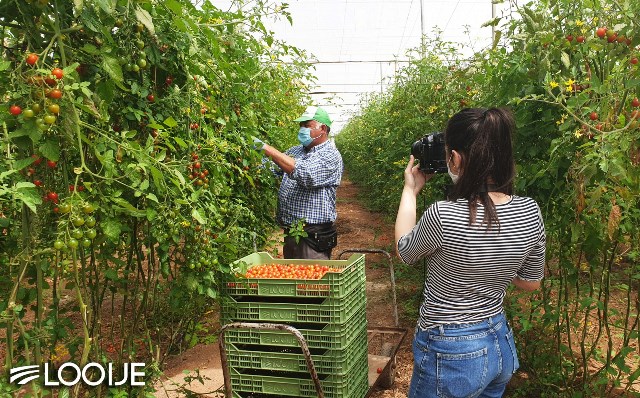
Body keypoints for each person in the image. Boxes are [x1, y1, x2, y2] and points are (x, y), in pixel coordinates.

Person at [394, 107, 546, 398]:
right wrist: (494, 264)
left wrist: (410, 191)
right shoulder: (529, 211)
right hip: (498, 343)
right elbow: (531, 282)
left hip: (451, 350)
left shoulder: (444, 215)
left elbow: (405, 251)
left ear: (456, 158)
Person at [254, 106, 343, 259]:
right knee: (293, 277)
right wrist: (248, 157)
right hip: (291, 231)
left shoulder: (330, 155)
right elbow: (274, 167)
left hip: (313, 236)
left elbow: (305, 174)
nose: (302, 129)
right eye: (301, 126)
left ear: (322, 128)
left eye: (306, 126)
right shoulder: (296, 151)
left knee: (310, 279)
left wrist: (266, 148)